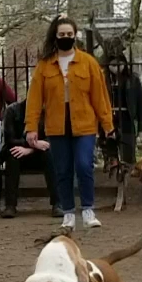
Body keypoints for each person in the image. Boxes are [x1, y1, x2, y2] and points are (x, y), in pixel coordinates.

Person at [23, 16, 115, 231]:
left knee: (84, 165)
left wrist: (108, 125)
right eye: (62, 34)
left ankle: (88, 209)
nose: (66, 37)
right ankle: (68, 213)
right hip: (57, 125)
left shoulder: (88, 63)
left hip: (84, 123)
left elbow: (100, 96)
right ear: (55, 36)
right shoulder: (45, 66)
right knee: (62, 170)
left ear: (75, 36)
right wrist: (31, 127)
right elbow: (34, 99)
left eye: (69, 34)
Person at [0, 96, 53, 217]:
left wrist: (30, 149)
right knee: (13, 155)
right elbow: (10, 140)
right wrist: (33, 144)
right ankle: (10, 206)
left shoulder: (47, 112)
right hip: (19, 151)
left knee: (49, 155)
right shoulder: (12, 111)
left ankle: (57, 203)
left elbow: (50, 141)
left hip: (37, 153)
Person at [105, 49, 142, 180]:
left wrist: (141, 129)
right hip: (109, 119)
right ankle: (113, 177)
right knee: (110, 153)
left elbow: (141, 104)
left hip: (127, 118)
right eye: (113, 64)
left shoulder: (133, 80)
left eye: (119, 63)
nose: (116, 67)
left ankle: (128, 179)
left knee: (128, 154)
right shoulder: (104, 80)